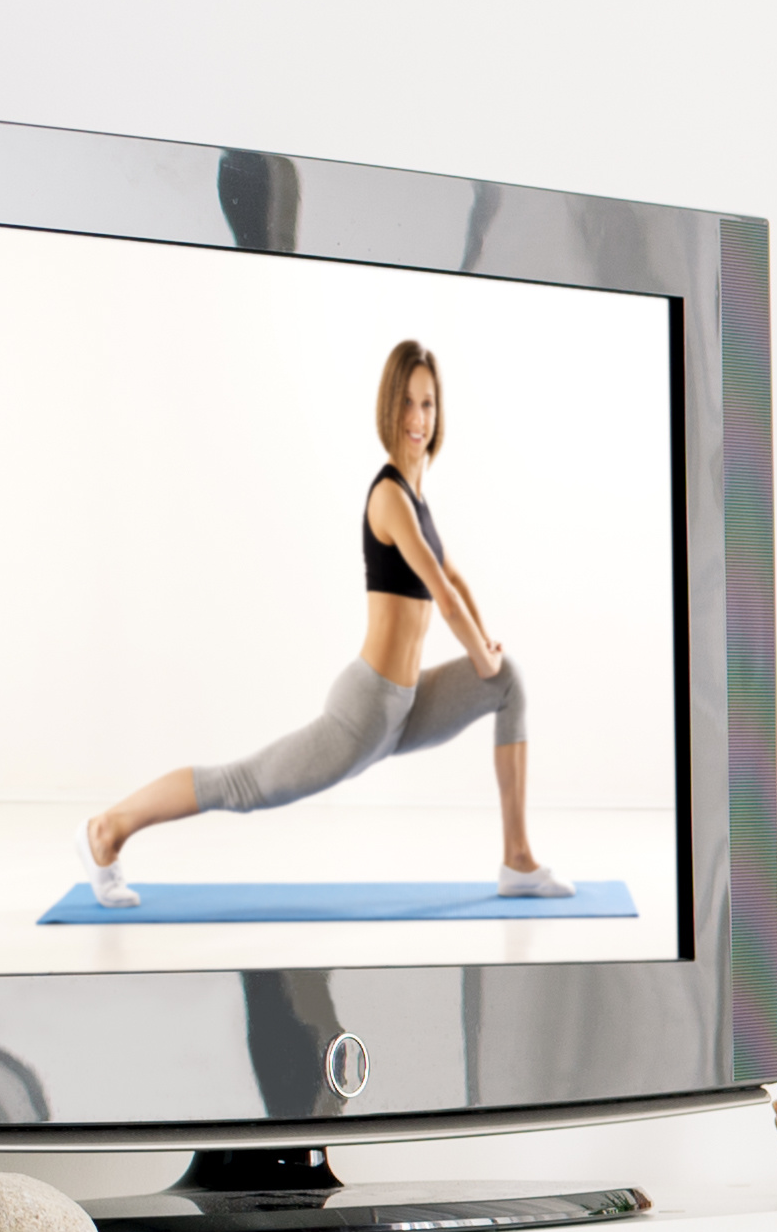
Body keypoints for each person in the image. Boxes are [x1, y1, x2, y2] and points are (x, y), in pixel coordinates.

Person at [83, 336, 569, 905]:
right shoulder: (388, 495)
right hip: (364, 713)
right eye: (408, 403)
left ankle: (517, 860)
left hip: (405, 710)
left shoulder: (417, 497)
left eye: (429, 404)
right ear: (389, 408)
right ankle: (107, 829)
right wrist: (479, 650)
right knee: (242, 784)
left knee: (507, 680)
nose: (418, 418)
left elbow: (455, 577)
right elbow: (441, 592)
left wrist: (486, 645)